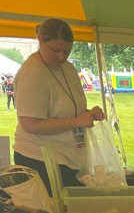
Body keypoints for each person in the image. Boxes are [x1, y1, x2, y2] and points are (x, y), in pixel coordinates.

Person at [13, 19, 105, 195]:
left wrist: (89, 114)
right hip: (40, 161)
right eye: (55, 50)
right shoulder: (32, 74)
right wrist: (77, 121)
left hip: (69, 159)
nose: (61, 57)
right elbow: (31, 125)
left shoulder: (68, 68)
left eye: (66, 51)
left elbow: (70, 109)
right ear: (40, 40)